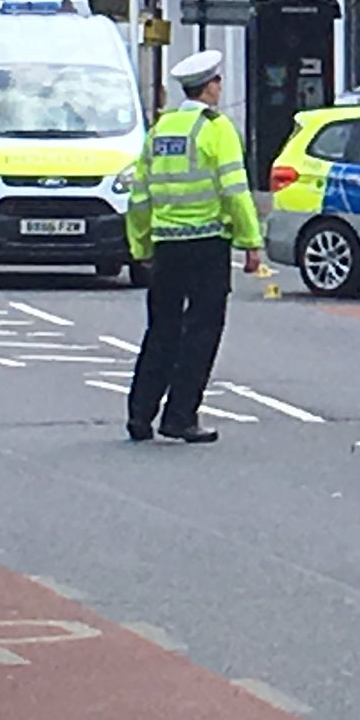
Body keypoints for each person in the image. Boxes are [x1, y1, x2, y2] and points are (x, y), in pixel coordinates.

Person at [124, 50, 263, 444]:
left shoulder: (161, 129)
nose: (220, 88)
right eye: (218, 82)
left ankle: (139, 415)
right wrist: (251, 242)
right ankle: (180, 416)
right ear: (210, 87)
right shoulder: (217, 130)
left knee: (161, 329)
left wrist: (140, 244)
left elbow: (139, 195)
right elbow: (235, 191)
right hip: (207, 245)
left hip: (166, 246)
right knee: (202, 332)